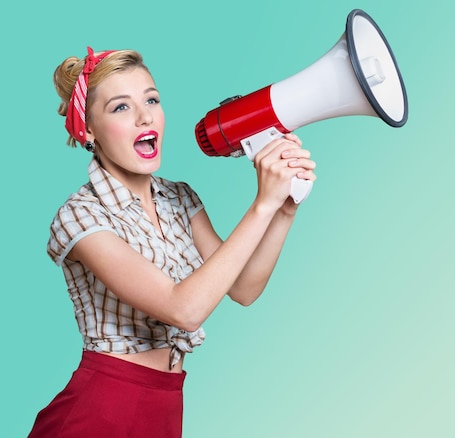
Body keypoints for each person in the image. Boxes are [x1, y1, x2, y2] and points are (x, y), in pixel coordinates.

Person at [28, 47, 316, 437]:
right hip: (101, 410)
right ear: (88, 130)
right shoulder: (79, 216)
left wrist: (283, 209)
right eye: (120, 108)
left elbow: (244, 288)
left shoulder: (179, 198)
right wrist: (260, 206)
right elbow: (184, 309)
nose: (145, 115)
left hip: (164, 404)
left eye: (151, 99)